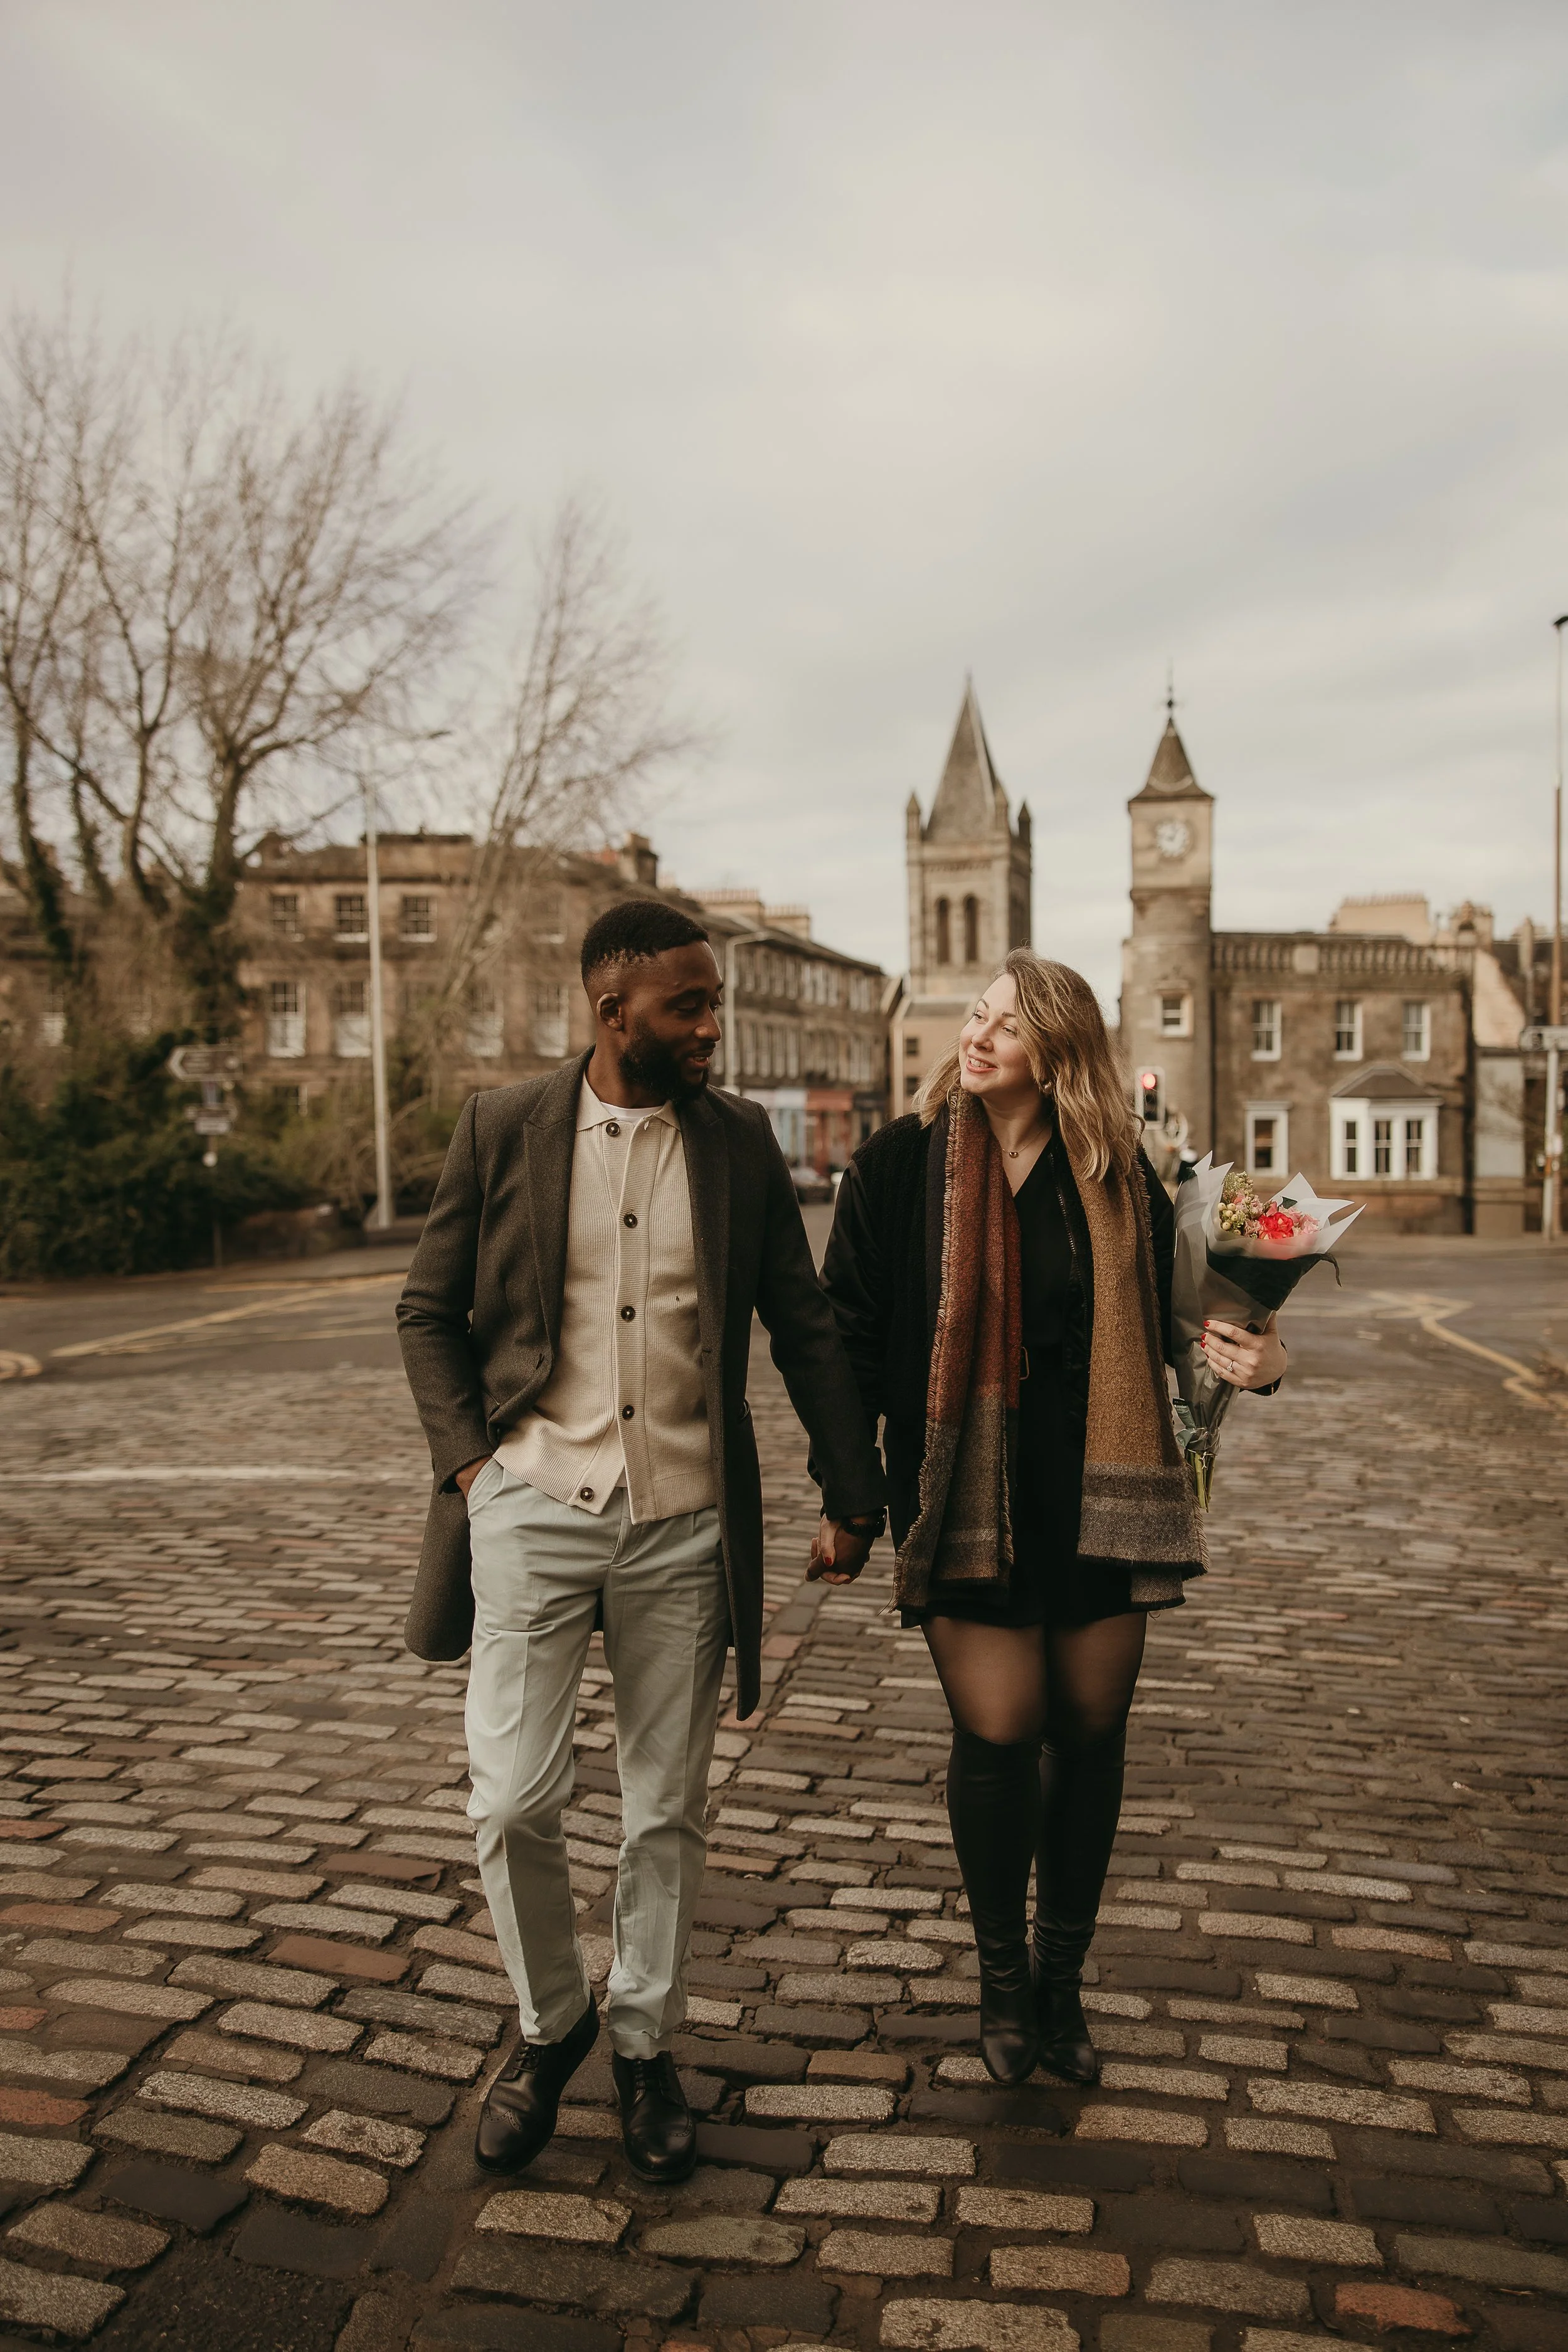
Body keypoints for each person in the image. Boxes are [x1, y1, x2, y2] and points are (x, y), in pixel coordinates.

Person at [396, 900, 886, 2181]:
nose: (713, 1027)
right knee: (511, 1802)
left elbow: (803, 1324)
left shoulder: (734, 1147)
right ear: (615, 1014)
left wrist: (853, 1490)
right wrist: (473, 1466)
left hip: (683, 1527)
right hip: (531, 1513)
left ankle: (644, 2042)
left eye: (714, 1002)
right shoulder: (502, 1128)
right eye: (690, 1007)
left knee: (665, 1809)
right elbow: (424, 1310)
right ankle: (550, 2021)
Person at [818, 951, 1285, 2087]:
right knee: (997, 1729)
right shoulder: (896, 1165)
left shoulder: (1125, 1168)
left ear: (1060, 1054)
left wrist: (1259, 1355)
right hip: (964, 1484)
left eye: (1005, 1029)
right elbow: (843, 1333)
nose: (976, 1040)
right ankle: (1002, 1980)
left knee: (1087, 1732)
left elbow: (1194, 1323)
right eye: (975, 1019)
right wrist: (856, 1494)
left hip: (1099, 1480)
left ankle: (1064, 1982)